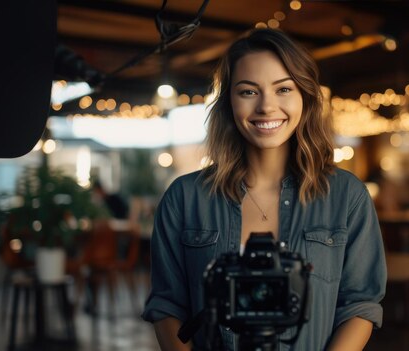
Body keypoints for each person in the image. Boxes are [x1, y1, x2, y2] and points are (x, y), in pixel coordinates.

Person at [142, 28, 386, 350]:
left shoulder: (346, 196)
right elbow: (167, 306)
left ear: (305, 97)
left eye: (283, 89)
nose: (267, 107)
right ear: (229, 101)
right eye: (248, 91)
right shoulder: (185, 198)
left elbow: (360, 306)